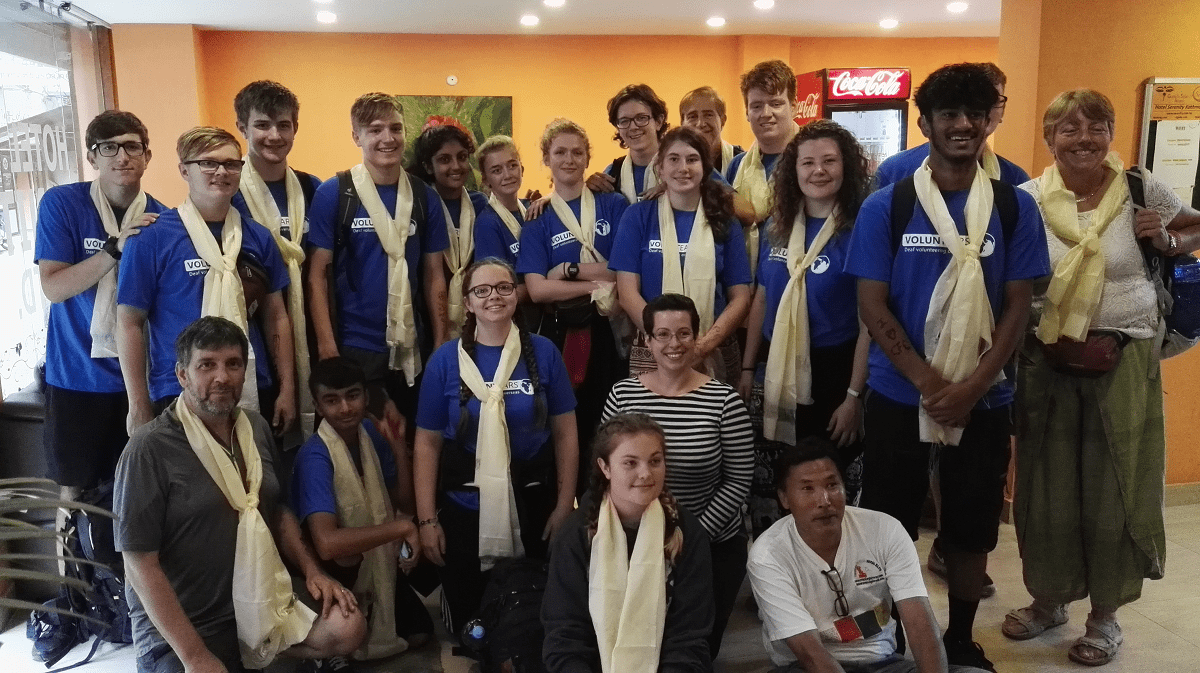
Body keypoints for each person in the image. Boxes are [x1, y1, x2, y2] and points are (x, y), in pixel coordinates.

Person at [845, 63, 1051, 671]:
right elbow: (871, 302)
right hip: (897, 394)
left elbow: (1019, 304)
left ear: (990, 119)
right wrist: (930, 383)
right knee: (889, 525)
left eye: (974, 113)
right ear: (925, 121)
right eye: (948, 114)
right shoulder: (889, 204)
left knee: (971, 527)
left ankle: (960, 638)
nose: (962, 125)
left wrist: (974, 385)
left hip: (984, 400)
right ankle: (893, 634)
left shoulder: (1015, 208)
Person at [1003, 89, 1200, 667]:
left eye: (1097, 126)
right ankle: (1048, 601)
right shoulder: (1027, 201)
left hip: (1126, 358)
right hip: (1049, 361)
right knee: (1046, 489)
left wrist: (1164, 240)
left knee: (1118, 486)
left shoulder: (1141, 188)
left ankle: (1106, 617)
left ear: (1112, 134)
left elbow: (1194, 231)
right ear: (1049, 139)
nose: (1084, 138)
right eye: (1070, 128)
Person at [114, 316, 366, 673]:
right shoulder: (148, 449)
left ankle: (263, 653)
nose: (222, 377)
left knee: (348, 625)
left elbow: (275, 511)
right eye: (207, 365)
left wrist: (313, 571)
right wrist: (195, 657)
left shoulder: (255, 427)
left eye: (233, 364)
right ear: (182, 375)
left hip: (257, 598)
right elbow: (139, 564)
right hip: (187, 624)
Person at [414, 258, 580, 635]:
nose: (494, 296)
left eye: (504, 287)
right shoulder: (444, 360)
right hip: (465, 509)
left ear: (517, 296)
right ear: (468, 302)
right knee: (473, 626)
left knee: (531, 616)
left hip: (534, 503)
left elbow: (566, 433)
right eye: (481, 290)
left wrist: (563, 504)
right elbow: (426, 444)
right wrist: (427, 520)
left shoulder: (544, 352)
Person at [747, 438, 989, 673]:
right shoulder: (768, 556)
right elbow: (810, 654)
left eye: (832, 485)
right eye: (807, 488)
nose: (824, 500)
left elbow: (920, 625)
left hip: (882, 663)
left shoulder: (885, 530)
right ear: (784, 498)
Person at [601, 293, 753, 658]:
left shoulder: (724, 401)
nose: (674, 344)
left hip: (709, 543)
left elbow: (738, 480)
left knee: (690, 652)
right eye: (663, 334)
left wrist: (688, 536)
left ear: (696, 337)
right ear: (647, 341)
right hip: (632, 539)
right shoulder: (623, 394)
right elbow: (606, 471)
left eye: (684, 334)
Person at [117, 126, 295, 434]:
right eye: (208, 163)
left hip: (251, 382)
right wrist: (138, 404)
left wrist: (288, 388)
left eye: (231, 163)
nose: (221, 171)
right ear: (184, 170)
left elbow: (276, 316)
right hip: (177, 390)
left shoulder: (259, 237)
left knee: (253, 479)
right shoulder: (151, 237)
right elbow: (129, 323)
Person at [740, 120, 873, 530]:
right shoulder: (777, 226)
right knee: (781, 480)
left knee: (824, 484)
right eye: (808, 162)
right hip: (774, 369)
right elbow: (762, 296)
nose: (818, 170)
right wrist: (747, 368)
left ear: (846, 167)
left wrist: (854, 396)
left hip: (835, 372)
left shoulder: (862, 229)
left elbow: (871, 320)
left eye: (829, 161)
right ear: (792, 170)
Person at [36, 110, 165, 498]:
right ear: (92, 158)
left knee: (138, 493)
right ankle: (71, 563)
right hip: (77, 377)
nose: (122, 157)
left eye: (132, 147)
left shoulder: (163, 218)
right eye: (108, 148)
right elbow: (54, 288)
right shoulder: (63, 204)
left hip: (140, 380)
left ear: (147, 156)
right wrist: (115, 248)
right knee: (75, 495)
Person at [305, 92, 451, 436]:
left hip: (412, 345)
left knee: (412, 439)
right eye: (375, 130)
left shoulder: (424, 195)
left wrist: (442, 341)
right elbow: (316, 276)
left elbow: (433, 276)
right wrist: (327, 346)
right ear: (356, 137)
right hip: (354, 344)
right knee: (362, 442)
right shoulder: (334, 193)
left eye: (395, 128)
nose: (388, 138)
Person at [542, 413, 715, 673]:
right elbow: (565, 635)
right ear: (605, 467)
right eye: (630, 463)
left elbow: (690, 636)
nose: (645, 473)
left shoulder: (686, 533)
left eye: (655, 461)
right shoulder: (575, 535)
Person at [292, 357, 432, 669]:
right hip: (332, 571)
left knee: (421, 632)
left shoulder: (369, 432)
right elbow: (327, 543)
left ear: (365, 397)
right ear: (317, 406)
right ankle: (322, 649)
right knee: (350, 633)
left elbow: (404, 506)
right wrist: (400, 531)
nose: (344, 408)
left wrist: (397, 448)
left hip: (376, 563)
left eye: (352, 396)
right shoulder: (316, 455)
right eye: (332, 400)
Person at [517, 118, 630, 493]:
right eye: (560, 152)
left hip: (612, 329)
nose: (569, 159)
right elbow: (536, 289)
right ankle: (572, 505)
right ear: (546, 159)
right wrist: (597, 283)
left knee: (610, 418)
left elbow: (624, 268)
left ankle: (609, 501)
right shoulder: (538, 218)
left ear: (588, 158)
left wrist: (568, 271)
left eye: (577, 152)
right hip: (564, 333)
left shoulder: (613, 204)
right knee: (569, 418)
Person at [610, 126, 752, 382]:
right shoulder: (637, 217)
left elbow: (740, 297)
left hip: (713, 346)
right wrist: (665, 341)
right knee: (648, 423)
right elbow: (627, 292)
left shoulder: (724, 219)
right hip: (652, 348)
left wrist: (702, 346)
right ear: (660, 168)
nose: (683, 168)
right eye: (673, 159)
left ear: (705, 168)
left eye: (692, 159)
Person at [231, 80, 323, 438]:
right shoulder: (228, 189)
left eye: (283, 125)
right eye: (262, 125)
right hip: (253, 333)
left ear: (295, 129)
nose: (274, 135)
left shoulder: (314, 188)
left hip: (310, 327)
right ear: (242, 127)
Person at [874, 63, 1028, 190]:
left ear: (1002, 111)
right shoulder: (895, 171)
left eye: (993, 101)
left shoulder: (1016, 180)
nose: (965, 123)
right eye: (951, 113)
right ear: (925, 125)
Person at [409, 120, 489, 338]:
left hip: (477, 317)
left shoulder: (480, 204)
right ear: (428, 166)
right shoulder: (418, 206)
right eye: (445, 159)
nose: (456, 166)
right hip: (427, 321)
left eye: (462, 157)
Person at [727, 59, 801, 278]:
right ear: (747, 112)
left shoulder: (812, 164)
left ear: (794, 107)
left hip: (796, 279)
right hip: (746, 281)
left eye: (776, 103)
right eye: (756, 106)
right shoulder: (737, 165)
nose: (766, 113)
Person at [679, 86, 743, 175]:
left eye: (708, 115)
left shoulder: (742, 163)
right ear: (682, 123)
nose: (700, 124)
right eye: (693, 116)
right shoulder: (671, 163)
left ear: (723, 120)